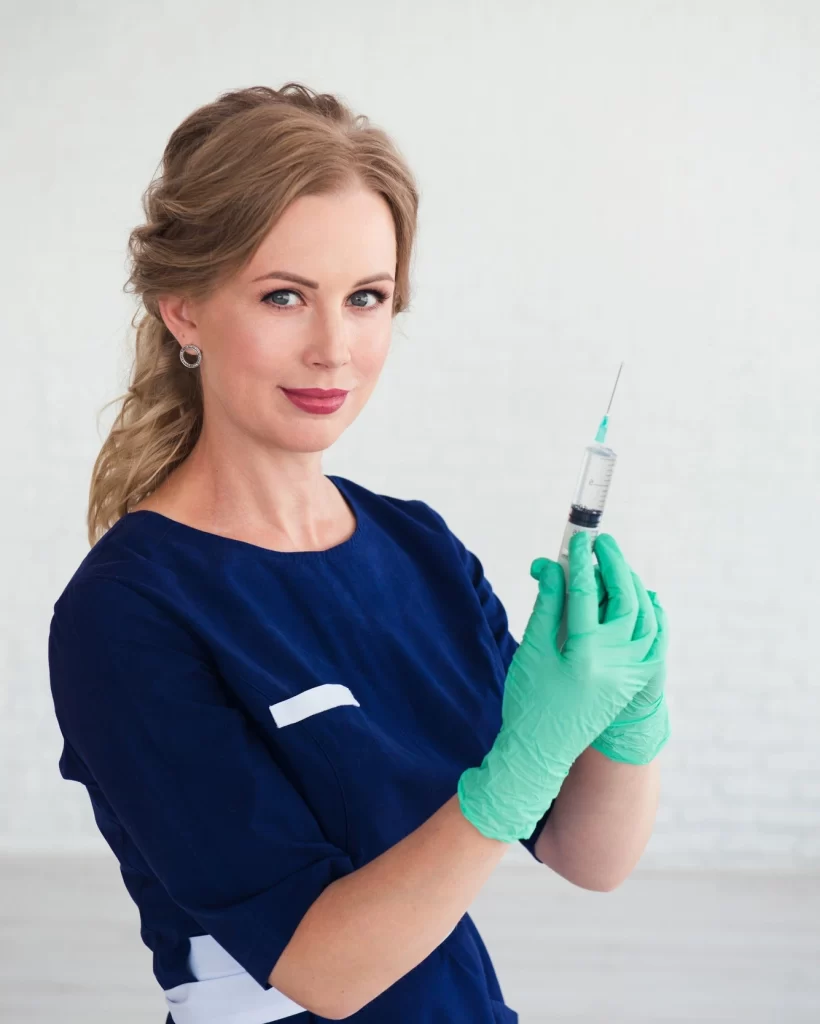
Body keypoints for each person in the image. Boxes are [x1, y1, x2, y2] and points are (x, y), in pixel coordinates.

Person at [47, 83, 671, 1024]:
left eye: (368, 297)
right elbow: (321, 972)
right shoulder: (129, 613)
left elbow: (590, 858)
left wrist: (630, 720)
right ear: (183, 309)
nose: (335, 348)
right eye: (285, 296)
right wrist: (508, 779)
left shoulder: (416, 548)